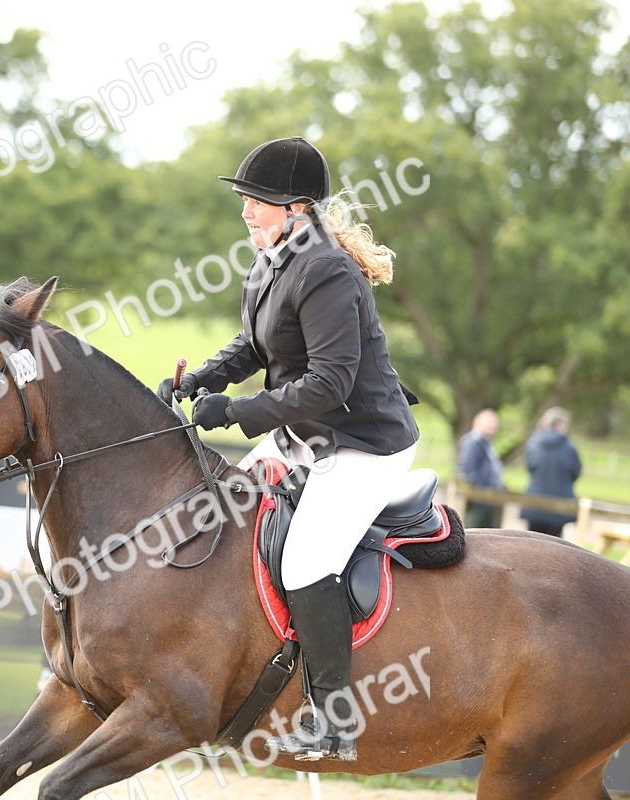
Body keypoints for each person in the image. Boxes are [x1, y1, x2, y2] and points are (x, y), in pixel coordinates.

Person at [155, 136, 419, 762]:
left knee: (304, 561)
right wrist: (204, 381)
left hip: (362, 445)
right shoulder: (273, 258)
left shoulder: (327, 270)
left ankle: (334, 720)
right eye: (246, 198)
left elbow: (331, 381)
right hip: (308, 434)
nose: (246, 210)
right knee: (219, 509)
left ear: (297, 208)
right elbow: (255, 346)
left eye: (258, 201)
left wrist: (237, 412)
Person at [522, 407, 582, 537]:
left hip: (534, 502)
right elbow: (575, 471)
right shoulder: (569, 446)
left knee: (532, 543)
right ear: (560, 425)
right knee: (554, 547)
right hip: (559, 505)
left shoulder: (533, 443)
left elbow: (530, 466)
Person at [456, 409, 505, 528]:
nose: (492, 430)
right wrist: (479, 489)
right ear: (477, 423)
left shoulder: (485, 442)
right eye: (489, 426)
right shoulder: (472, 442)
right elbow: (468, 469)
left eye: (493, 427)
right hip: (479, 500)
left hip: (489, 498)